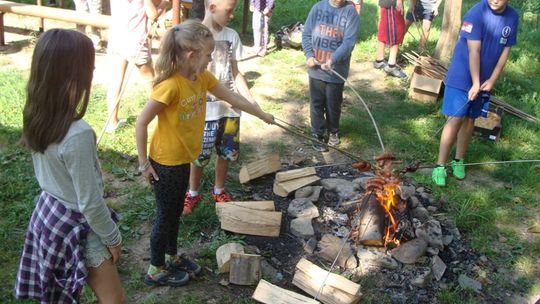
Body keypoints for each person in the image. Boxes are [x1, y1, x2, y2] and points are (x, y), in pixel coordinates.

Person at [135, 20, 274, 286]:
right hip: (164, 163)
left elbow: (234, 99)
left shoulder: (202, 78)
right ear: (191, 56)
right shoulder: (171, 86)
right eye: (209, 54)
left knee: (175, 211)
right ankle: (155, 268)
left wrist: (261, 113)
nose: (211, 59)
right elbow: (141, 122)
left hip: (183, 158)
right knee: (166, 214)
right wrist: (144, 164)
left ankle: (171, 256)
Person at [14, 29, 124, 303]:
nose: (94, 69)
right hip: (78, 226)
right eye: (90, 65)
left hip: (48, 215)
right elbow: (89, 202)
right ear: (74, 74)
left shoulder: (36, 112)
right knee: (114, 300)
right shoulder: (78, 133)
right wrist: (113, 237)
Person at [183, 0, 263, 213]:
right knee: (199, 156)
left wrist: (251, 102)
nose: (232, 15)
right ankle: (192, 192)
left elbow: (236, 73)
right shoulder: (192, 37)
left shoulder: (232, 36)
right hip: (203, 112)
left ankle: (219, 189)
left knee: (226, 152)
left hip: (229, 110)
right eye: (229, 10)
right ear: (212, 8)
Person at [432, 0, 518, 186]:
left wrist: (492, 80)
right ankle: (440, 165)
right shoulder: (475, 14)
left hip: (485, 79)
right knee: (455, 118)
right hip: (462, 74)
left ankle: (459, 160)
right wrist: (475, 82)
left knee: (471, 119)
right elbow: (474, 50)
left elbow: (505, 52)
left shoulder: (512, 17)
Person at [302, 0, 360, 152]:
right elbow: (307, 33)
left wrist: (333, 59)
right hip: (316, 67)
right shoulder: (318, 8)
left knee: (333, 103)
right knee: (316, 103)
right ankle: (318, 134)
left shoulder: (350, 12)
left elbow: (349, 42)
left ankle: (333, 131)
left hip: (336, 69)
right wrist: (309, 55)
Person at [105, 0, 169, 133]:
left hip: (116, 37)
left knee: (116, 81)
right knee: (150, 81)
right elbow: (153, 15)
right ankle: (159, 119)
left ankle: (112, 122)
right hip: (136, 40)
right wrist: (165, 3)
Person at [373, 0, 408, 78]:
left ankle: (379, 60)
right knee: (396, 31)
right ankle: (391, 66)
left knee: (384, 29)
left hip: (388, 3)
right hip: (392, 3)